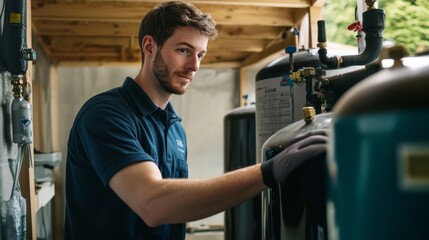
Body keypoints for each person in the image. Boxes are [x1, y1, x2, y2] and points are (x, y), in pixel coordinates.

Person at [64, 1, 328, 239]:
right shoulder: (105, 114)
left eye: (200, 54)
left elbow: (174, 208)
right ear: (149, 46)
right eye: (183, 50)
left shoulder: (175, 128)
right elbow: (152, 204)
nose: (195, 65)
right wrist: (267, 171)